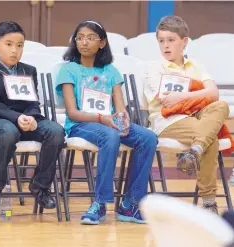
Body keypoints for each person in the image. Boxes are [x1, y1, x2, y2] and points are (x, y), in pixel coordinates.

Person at [56, 20, 158, 225]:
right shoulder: (69, 70)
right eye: (80, 38)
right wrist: (102, 119)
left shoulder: (111, 71)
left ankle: (131, 204)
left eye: (90, 38)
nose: (84, 42)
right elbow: (73, 113)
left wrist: (123, 118)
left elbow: (120, 107)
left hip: (109, 122)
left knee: (148, 137)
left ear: (102, 43)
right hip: (82, 124)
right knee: (109, 136)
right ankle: (100, 203)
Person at [0, 21, 65, 214]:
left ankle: (40, 186)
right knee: (8, 132)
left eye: (20, 45)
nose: (15, 50)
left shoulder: (28, 70)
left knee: (56, 131)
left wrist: (32, 117)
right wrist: (18, 118)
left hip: (26, 120)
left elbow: (33, 102)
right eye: (9, 44)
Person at [143, 16, 229, 214]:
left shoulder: (195, 65)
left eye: (171, 40)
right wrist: (199, 92)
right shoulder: (154, 67)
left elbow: (213, 94)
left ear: (184, 42)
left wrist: (182, 96)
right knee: (211, 138)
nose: (165, 45)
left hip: (199, 118)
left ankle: (195, 151)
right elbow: (167, 101)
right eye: (161, 41)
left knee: (221, 105)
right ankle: (209, 203)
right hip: (168, 121)